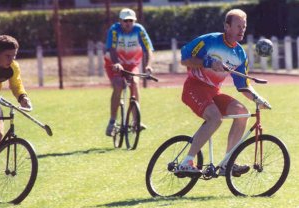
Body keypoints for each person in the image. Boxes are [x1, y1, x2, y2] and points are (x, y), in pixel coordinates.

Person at [176, 9, 270, 176]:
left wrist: (258, 99)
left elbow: (243, 86)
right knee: (215, 118)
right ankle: (186, 162)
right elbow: (184, 59)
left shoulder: (240, 54)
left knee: (242, 113)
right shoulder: (210, 41)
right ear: (227, 26)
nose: (242, 30)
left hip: (213, 92)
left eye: (244, 26)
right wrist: (208, 62)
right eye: (238, 26)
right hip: (194, 87)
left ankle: (227, 162)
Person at [104, 8, 154, 136]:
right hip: (114, 63)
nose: (128, 23)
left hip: (132, 64)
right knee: (118, 85)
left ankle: (136, 121)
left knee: (135, 84)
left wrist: (148, 66)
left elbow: (149, 50)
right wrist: (116, 63)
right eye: (125, 21)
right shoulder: (114, 30)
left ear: (134, 21)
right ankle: (112, 121)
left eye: (131, 21)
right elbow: (112, 49)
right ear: (120, 21)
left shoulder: (139, 30)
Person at [0, 35, 32, 142]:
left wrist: (23, 97)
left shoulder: (13, 67)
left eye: (14, 56)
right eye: (8, 56)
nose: (11, 59)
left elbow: (16, 85)